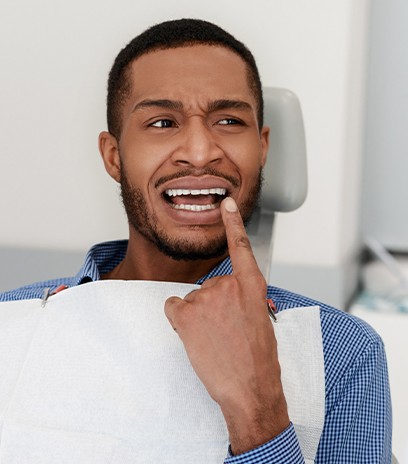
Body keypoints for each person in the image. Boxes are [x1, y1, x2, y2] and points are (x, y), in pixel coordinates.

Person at [0, 19, 392, 463]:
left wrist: (257, 413)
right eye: (163, 122)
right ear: (114, 156)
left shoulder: (342, 354)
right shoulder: (10, 325)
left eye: (228, 120)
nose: (201, 152)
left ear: (262, 148)